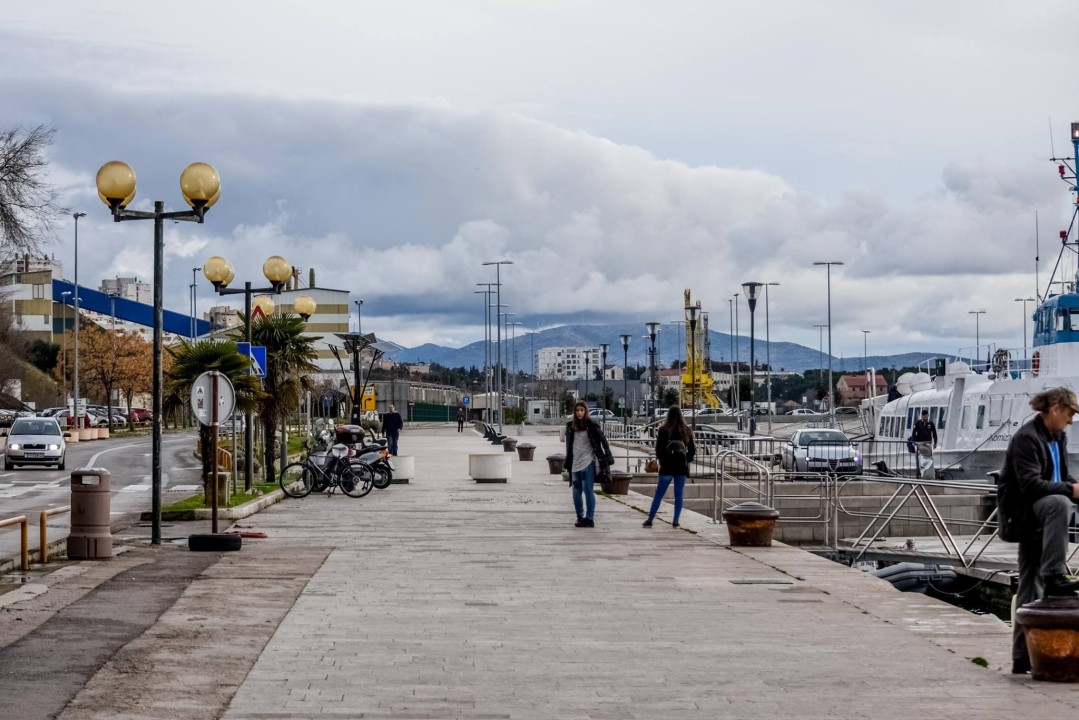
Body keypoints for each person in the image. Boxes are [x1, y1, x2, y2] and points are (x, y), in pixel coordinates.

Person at [998, 387, 1079, 674]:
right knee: (1060, 501)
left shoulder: (1058, 436)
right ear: (1055, 409)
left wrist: (1074, 486)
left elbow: (1059, 475)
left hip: (1043, 516)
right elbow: (1031, 485)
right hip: (1027, 516)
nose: (1071, 420)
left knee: (1029, 587)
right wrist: (1071, 489)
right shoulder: (1026, 439)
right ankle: (1055, 573)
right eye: (1069, 414)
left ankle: (1022, 657)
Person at [563, 400, 615, 528]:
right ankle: (580, 516)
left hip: (588, 463)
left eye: (582, 410)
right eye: (577, 410)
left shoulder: (592, 425)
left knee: (588, 490)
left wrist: (606, 460)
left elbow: (603, 441)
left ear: (585, 411)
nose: (579, 413)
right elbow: (568, 445)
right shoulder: (570, 427)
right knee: (576, 491)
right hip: (574, 464)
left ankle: (589, 518)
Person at [644, 406, 695, 528]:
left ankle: (650, 519)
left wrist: (663, 460)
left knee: (659, 494)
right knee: (679, 494)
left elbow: (659, 449)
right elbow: (692, 450)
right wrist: (686, 460)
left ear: (668, 416)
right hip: (681, 468)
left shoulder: (663, 430)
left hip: (667, 466)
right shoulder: (686, 430)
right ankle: (676, 520)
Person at [911, 409, 937, 479]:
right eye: (924, 417)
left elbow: (934, 433)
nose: (925, 418)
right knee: (920, 459)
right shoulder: (918, 423)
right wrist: (913, 441)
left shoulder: (931, 423)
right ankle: (920, 473)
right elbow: (914, 432)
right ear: (922, 416)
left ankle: (929, 474)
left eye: (926, 417)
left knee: (929, 459)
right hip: (920, 443)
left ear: (928, 416)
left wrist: (935, 442)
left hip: (928, 443)